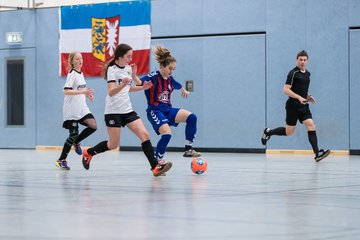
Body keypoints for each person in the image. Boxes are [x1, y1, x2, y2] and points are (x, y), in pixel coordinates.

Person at [81, 43, 172, 177]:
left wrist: (142, 87)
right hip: (113, 111)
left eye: (131, 56)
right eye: (128, 56)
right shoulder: (112, 69)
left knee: (144, 135)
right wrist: (123, 84)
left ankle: (155, 167)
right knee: (113, 144)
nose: (130, 59)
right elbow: (111, 92)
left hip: (127, 110)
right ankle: (89, 153)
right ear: (120, 56)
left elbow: (128, 88)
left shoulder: (128, 69)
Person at [261, 50, 330, 162]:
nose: (302, 62)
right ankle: (268, 132)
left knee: (311, 125)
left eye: (305, 60)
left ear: (307, 61)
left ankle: (317, 154)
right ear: (297, 60)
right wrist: (298, 97)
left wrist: (307, 96)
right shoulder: (292, 73)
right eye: (300, 60)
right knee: (289, 132)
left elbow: (301, 90)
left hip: (303, 106)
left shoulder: (308, 74)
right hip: (292, 106)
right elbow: (286, 90)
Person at [140, 45, 201, 164]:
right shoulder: (153, 77)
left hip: (168, 110)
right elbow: (139, 82)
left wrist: (183, 89)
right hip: (155, 110)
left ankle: (188, 149)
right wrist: (133, 76)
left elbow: (177, 84)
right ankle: (158, 161)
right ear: (162, 66)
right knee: (167, 134)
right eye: (170, 68)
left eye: (174, 69)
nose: (171, 71)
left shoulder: (170, 79)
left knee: (192, 117)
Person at [56, 52, 97, 170]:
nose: (80, 60)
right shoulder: (72, 74)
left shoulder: (81, 73)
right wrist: (83, 92)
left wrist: (87, 94)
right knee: (73, 134)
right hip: (71, 110)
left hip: (82, 108)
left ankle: (76, 142)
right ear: (72, 61)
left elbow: (80, 88)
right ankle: (61, 160)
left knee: (93, 125)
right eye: (77, 59)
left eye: (81, 58)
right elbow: (67, 91)